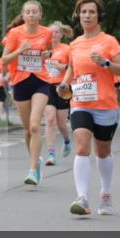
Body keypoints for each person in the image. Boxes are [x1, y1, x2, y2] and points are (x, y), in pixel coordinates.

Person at [57, 0, 120, 217]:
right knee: (81, 145)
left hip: (105, 105)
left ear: (99, 16)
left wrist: (106, 63)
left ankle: (105, 194)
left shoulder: (109, 42)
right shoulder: (75, 45)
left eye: (91, 12)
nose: (87, 16)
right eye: (83, 12)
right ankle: (82, 198)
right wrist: (64, 83)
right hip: (80, 102)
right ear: (78, 16)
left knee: (103, 151)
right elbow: (71, 67)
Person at [2, 1, 55, 185]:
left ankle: (32, 170)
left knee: (34, 126)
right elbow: (4, 59)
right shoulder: (14, 34)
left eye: (34, 12)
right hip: (20, 82)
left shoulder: (47, 32)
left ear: (40, 14)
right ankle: (36, 160)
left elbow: (49, 51)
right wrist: (20, 50)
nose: (31, 15)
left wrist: (47, 55)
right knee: (27, 130)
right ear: (23, 15)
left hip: (41, 80)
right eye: (28, 12)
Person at [43, 21, 73, 165]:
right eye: (51, 32)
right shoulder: (43, 49)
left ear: (61, 34)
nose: (53, 34)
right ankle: (50, 154)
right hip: (46, 87)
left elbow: (73, 68)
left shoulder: (67, 49)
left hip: (62, 87)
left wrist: (64, 66)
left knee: (61, 123)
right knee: (50, 120)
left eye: (56, 32)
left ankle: (67, 140)